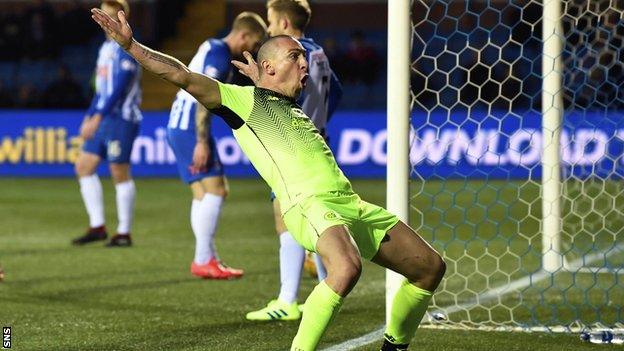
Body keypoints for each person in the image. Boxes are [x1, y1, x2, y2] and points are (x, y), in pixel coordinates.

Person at [91, 8, 446, 351]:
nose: (304, 63)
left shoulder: (294, 108)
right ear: (268, 66)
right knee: (346, 267)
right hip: (308, 204)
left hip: (349, 204)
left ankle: (395, 346)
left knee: (429, 268)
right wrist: (131, 46)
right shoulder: (243, 101)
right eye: (295, 56)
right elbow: (181, 75)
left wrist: (270, 82)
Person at [237, 0, 344, 321]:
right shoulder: (320, 53)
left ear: (284, 23)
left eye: (270, 22)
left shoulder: (293, 53)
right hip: (315, 140)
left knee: (285, 217)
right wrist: (320, 121)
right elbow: (335, 91)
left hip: (294, 142)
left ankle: (287, 300)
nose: (267, 29)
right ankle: (328, 286)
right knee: (316, 218)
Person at [166, 12, 267, 279]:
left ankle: (206, 258)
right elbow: (201, 93)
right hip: (190, 126)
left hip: (178, 123)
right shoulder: (220, 54)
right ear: (243, 36)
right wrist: (201, 140)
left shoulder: (211, 46)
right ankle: (203, 259)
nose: (254, 51)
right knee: (217, 190)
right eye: (255, 44)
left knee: (202, 193)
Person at [73, 0, 141, 248]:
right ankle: (98, 226)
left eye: (111, 16)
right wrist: (90, 116)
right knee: (83, 167)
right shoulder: (105, 49)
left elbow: (120, 88)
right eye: (103, 15)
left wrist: (97, 117)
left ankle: (124, 232)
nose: (105, 20)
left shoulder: (128, 46)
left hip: (122, 118)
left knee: (118, 172)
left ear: (122, 18)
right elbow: (101, 90)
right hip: (103, 117)